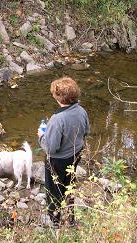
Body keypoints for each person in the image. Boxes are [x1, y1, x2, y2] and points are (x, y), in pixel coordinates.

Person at [38, 77, 90, 228]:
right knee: (70, 184)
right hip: (76, 154)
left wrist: (41, 137)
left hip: (57, 161)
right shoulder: (81, 110)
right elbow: (86, 131)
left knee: (54, 188)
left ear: (58, 97)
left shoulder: (56, 119)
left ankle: (55, 221)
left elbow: (51, 148)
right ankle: (71, 218)